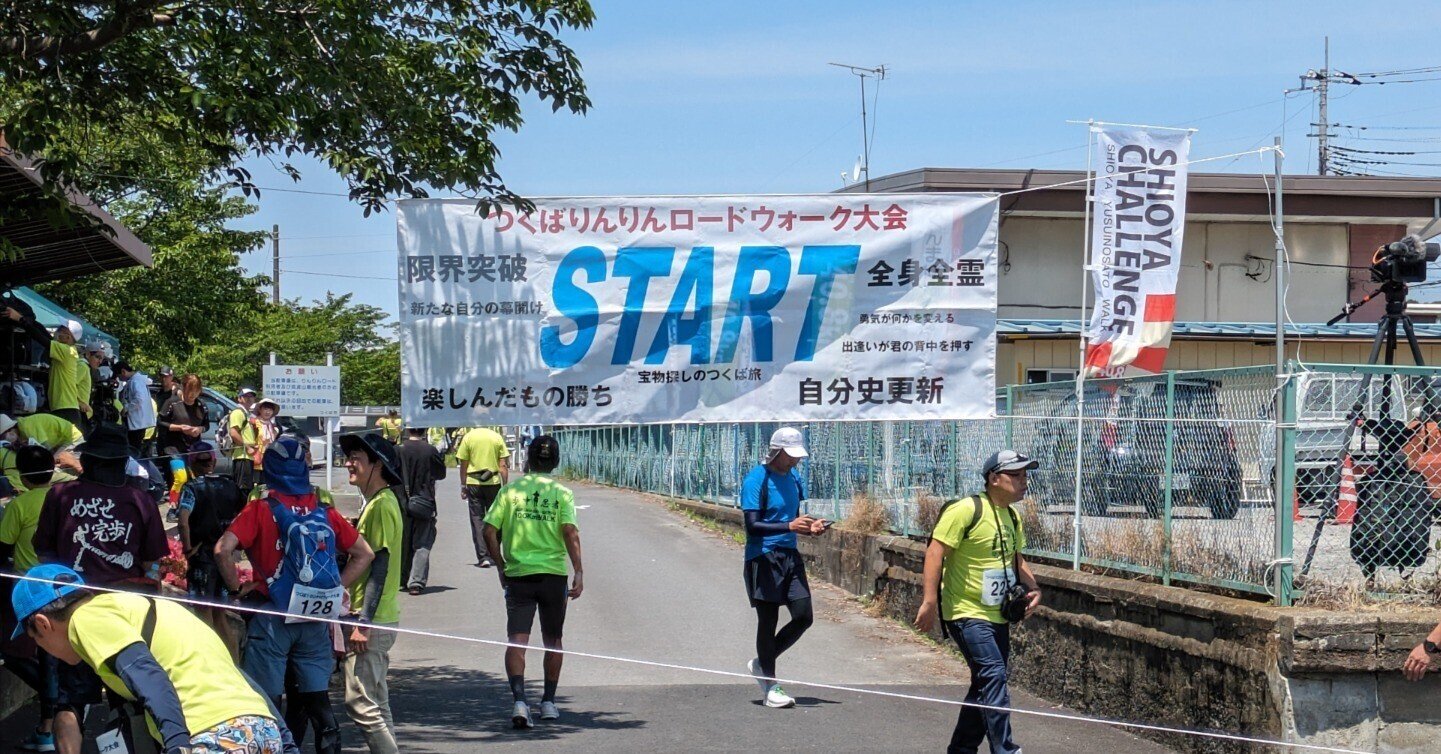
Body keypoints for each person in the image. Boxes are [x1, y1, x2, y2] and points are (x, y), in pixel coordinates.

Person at [12, 563, 301, 753]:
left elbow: (149, 677)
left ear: (42, 623)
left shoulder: (87, 619)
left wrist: (176, 746)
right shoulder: (150, 609)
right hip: (262, 730)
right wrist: (287, 740)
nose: (43, 649)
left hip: (210, 734)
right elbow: (238, 677)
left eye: (36, 640)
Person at [215, 435, 373, 754]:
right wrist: (335, 586)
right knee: (319, 704)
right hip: (314, 617)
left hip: (272, 616)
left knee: (268, 702)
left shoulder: (260, 509)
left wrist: (235, 589)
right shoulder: (323, 510)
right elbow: (364, 554)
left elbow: (222, 550)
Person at [31, 422, 170, 754]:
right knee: (134, 695)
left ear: (88, 460)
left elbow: (43, 551)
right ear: (123, 462)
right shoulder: (140, 499)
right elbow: (154, 562)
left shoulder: (60, 495)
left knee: (70, 700)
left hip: (73, 609)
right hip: (127, 611)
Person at [914, 450, 1043, 754]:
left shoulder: (1012, 515)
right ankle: (1006, 749)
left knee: (984, 682)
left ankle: (961, 749)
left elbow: (1015, 557)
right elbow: (935, 552)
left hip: (998, 613)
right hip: (965, 612)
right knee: (994, 675)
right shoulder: (964, 510)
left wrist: (1033, 586)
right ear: (994, 478)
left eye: (1026, 475)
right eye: (1017, 476)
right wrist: (930, 601)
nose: (1024, 482)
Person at [481, 434, 582, 729]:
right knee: (553, 640)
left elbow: (488, 530)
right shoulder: (562, 493)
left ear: (528, 458)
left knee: (517, 640)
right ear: (555, 460)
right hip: (553, 574)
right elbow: (570, 532)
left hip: (519, 575)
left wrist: (500, 564)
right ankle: (549, 702)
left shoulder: (511, 492)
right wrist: (579, 571)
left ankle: (520, 702)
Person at [740, 427, 828, 709]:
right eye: (790, 456)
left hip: (789, 554)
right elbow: (752, 525)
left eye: (797, 456)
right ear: (776, 451)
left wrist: (809, 526)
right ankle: (770, 686)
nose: (795, 461)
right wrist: (788, 526)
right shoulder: (756, 479)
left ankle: (761, 663)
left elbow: (794, 517)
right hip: (762, 557)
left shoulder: (794, 477)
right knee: (768, 622)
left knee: (804, 616)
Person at [338, 432, 406, 754]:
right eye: (349, 456)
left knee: (359, 702)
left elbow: (379, 565)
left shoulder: (380, 505)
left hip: (371, 618)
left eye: (357, 458)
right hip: (381, 616)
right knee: (377, 702)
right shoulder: (381, 502)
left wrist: (363, 622)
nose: (349, 463)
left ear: (377, 464)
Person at [0, 446, 59, 752]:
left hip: (27, 588)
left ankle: (56, 704)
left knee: (13, 651)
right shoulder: (60, 499)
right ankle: (50, 724)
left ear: (21, 474)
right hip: (60, 584)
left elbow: (2, 547)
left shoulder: (18, 506)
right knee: (50, 655)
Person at [176, 441, 246, 660]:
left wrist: (187, 548)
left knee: (202, 613)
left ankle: (207, 661)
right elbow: (243, 515)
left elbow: (183, 521)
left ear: (191, 463)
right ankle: (232, 662)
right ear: (214, 461)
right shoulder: (229, 485)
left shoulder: (191, 487)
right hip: (224, 556)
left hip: (202, 557)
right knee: (220, 614)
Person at [4, 308, 84, 429]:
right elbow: (43, 333)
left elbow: (42, 339)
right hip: (65, 408)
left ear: (68, 337)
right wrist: (28, 319)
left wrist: (19, 319)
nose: (57, 331)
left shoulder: (67, 351)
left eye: (61, 330)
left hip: (65, 410)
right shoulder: (66, 350)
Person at [397, 427, 446, 594]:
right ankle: (416, 582)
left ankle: (401, 579)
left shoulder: (398, 450)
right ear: (425, 431)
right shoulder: (430, 450)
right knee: (422, 542)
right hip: (425, 502)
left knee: (403, 542)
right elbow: (441, 474)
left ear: (407, 430)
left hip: (401, 502)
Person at [456, 425, 510, 568]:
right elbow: (503, 465)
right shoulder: (496, 437)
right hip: (493, 483)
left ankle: (483, 556)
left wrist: (463, 485)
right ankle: (494, 552)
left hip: (474, 482)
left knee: (477, 519)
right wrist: (505, 486)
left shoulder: (469, 437)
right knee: (496, 519)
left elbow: (464, 464)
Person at [116, 362, 155, 455]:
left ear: (123, 371)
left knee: (133, 450)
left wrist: (126, 408)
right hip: (136, 423)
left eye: (119, 376)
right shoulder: (136, 380)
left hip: (137, 424)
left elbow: (139, 398)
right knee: (133, 449)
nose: (119, 379)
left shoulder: (136, 381)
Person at [226, 387, 259, 493]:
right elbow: (234, 433)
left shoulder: (246, 413)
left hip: (246, 456)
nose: (249, 399)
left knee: (246, 487)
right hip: (242, 456)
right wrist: (248, 447)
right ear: (239, 398)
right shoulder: (238, 412)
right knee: (242, 488)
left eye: (252, 396)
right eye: (246, 396)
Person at [248, 398, 282, 473]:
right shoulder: (253, 423)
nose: (268, 412)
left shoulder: (272, 426)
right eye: (265, 409)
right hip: (256, 458)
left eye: (270, 410)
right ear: (260, 410)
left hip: (269, 459)